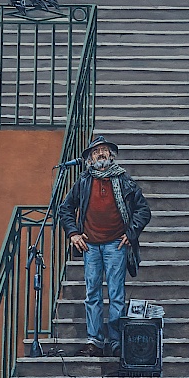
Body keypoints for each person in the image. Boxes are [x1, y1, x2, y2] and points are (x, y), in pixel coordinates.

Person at [57, 134, 152, 358]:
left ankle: (116, 341)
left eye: (104, 150)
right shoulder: (83, 181)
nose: (101, 154)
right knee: (92, 294)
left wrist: (132, 232)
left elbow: (143, 210)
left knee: (117, 294)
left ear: (111, 155)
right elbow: (65, 209)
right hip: (90, 246)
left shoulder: (123, 180)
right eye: (96, 151)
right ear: (90, 158)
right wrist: (73, 234)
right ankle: (95, 341)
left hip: (115, 245)